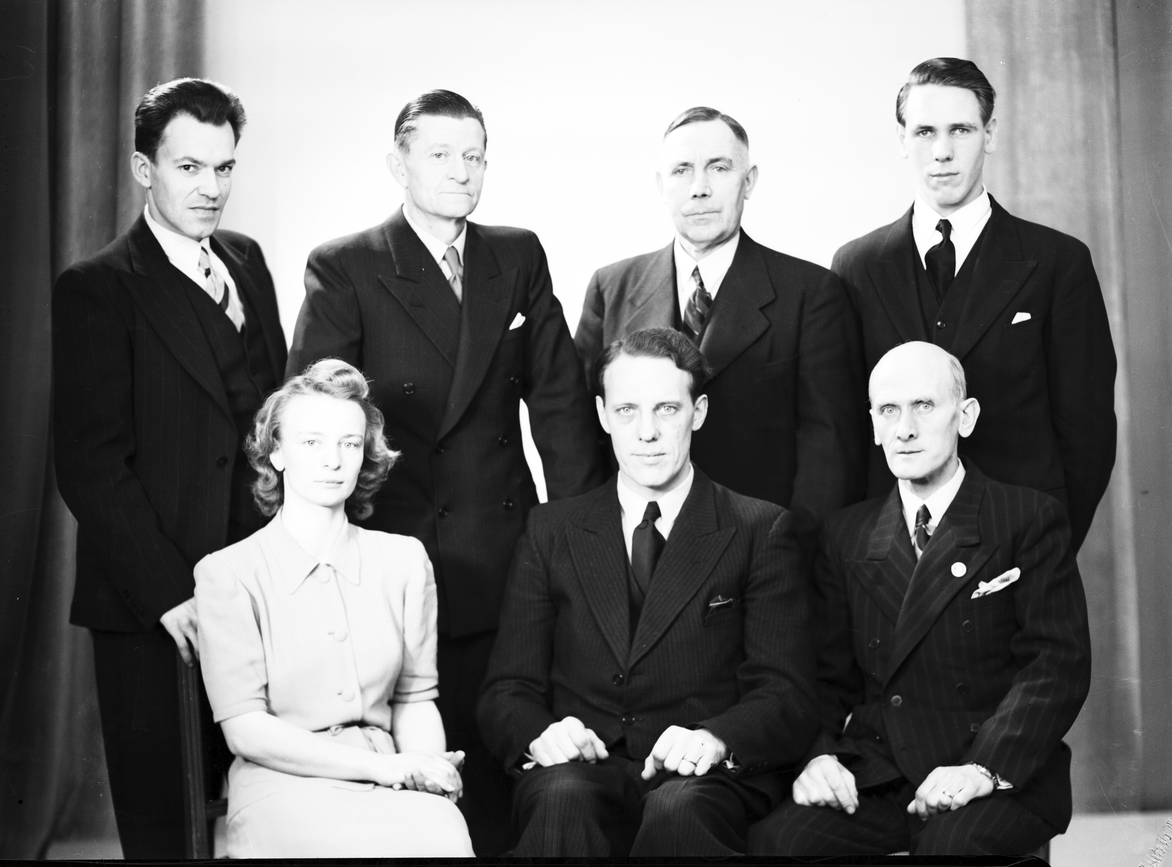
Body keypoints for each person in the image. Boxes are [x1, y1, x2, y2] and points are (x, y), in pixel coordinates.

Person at [286, 88, 603, 852]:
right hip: (397, 548)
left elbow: (560, 406)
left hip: (505, 543)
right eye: (440, 155)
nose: (462, 171)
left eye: (475, 155)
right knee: (421, 763)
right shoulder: (348, 264)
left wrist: (582, 538)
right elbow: (314, 417)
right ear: (398, 165)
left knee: (505, 745)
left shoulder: (517, 254)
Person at [51, 78, 287, 858]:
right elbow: (90, 464)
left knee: (260, 807)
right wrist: (171, 595)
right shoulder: (97, 287)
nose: (210, 187)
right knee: (166, 826)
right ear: (143, 169)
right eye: (189, 167)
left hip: (252, 589)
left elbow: (271, 418)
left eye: (224, 167)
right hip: (153, 602)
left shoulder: (246, 261)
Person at [478, 327, 818, 857]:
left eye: (666, 409)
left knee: (678, 811)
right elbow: (507, 690)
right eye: (626, 411)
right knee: (562, 797)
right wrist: (541, 734)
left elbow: (785, 693)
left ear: (698, 412)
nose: (646, 433)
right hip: (585, 766)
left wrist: (716, 738)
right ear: (602, 415)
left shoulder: (760, 528)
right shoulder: (551, 530)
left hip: (703, 774)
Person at [749, 341, 1091, 855]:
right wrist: (817, 756)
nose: (904, 428)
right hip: (882, 770)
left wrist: (982, 768)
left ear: (965, 416)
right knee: (778, 842)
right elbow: (825, 678)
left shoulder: (1026, 519)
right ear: (872, 425)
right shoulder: (847, 535)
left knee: (951, 850)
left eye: (924, 406)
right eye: (888, 410)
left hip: (992, 764)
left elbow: (1056, 665)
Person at [831, 57, 1116, 552]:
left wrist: (1047, 543)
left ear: (990, 134)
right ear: (901, 140)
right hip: (892, 555)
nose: (941, 151)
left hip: (1023, 545)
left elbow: (1087, 431)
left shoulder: (1057, 262)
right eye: (924, 132)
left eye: (960, 130)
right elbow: (845, 431)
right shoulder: (856, 266)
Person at [193, 359, 473, 858]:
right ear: (276, 452)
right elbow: (246, 731)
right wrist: (384, 768)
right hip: (279, 785)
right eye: (311, 442)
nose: (333, 461)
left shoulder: (404, 560)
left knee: (444, 835)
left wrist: (426, 767)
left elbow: (414, 700)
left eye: (349, 444)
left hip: (389, 777)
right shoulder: (227, 573)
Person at [574, 106, 865, 565]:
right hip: (638, 555)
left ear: (749, 181)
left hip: (761, 558)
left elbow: (829, 451)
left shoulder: (812, 293)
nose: (700, 187)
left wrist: (787, 557)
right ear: (660, 185)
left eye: (719, 167)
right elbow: (582, 433)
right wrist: (598, 546)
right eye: (682, 170)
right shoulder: (610, 288)